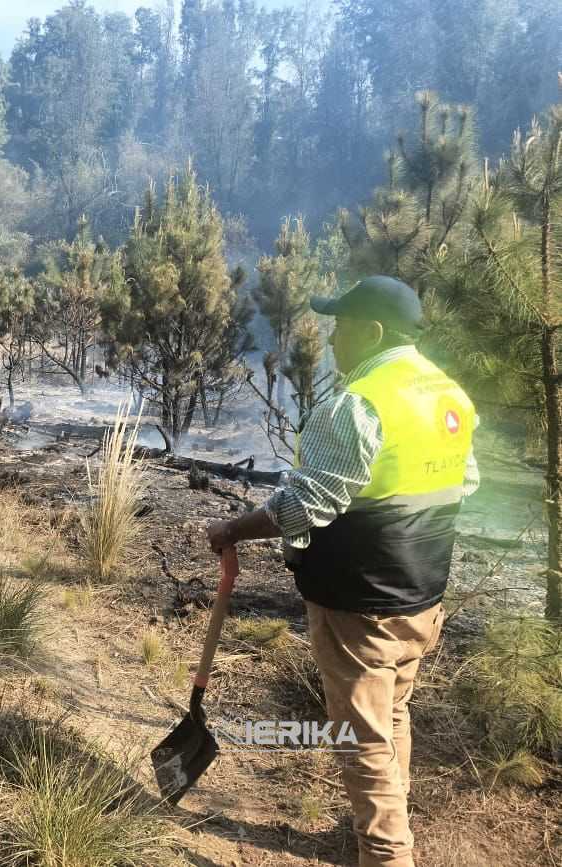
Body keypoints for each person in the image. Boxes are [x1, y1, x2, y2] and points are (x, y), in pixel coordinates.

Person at [207, 275, 479, 867]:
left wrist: (234, 529)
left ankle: (386, 855)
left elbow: (311, 502)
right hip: (423, 595)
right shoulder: (450, 394)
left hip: (361, 602)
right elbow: (466, 481)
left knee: (362, 739)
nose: (331, 339)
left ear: (373, 331)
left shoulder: (361, 400)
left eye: (340, 326)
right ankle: (386, 822)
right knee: (393, 714)